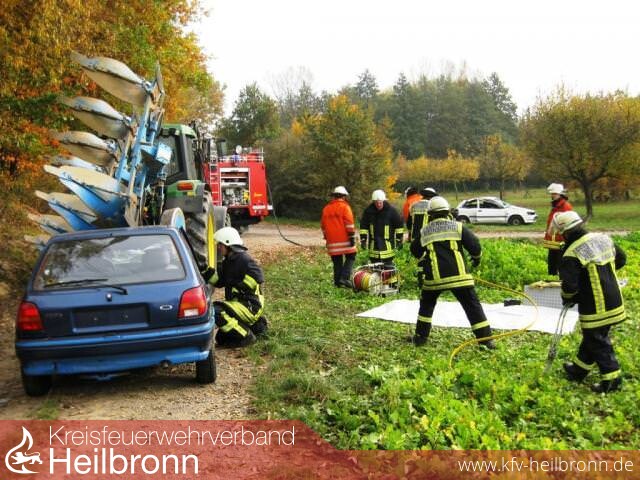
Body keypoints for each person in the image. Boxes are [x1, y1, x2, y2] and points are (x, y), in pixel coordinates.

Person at [554, 211, 626, 393]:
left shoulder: (571, 253)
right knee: (593, 337)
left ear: (565, 233)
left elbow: (569, 286)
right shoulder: (602, 239)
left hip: (595, 306)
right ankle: (578, 370)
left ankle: (612, 379)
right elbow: (621, 259)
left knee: (597, 341)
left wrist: (568, 299)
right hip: (614, 299)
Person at [410, 196, 495, 349]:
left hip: (434, 279)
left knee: (426, 306)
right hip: (459, 277)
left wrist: (424, 256)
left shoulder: (425, 231)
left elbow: (414, 249)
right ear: (448, 211)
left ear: (430, 214)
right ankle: (486, 340)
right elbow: (475, 246)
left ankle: (421, 337)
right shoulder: (457, 227)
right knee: (472, 306)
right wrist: (476, 259)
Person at [205, 226, 266, 347]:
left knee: (216, 311)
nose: (218, 247)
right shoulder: (228, 261)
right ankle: (256, 326)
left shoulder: (243, 259)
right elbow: (220, 282)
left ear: (228, 244)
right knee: (221, 339)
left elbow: (258, 276)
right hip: (240, 304)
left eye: (220, 244)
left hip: (250, 305)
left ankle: (246, 336)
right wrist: (207, 273)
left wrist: (239, 286)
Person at [321, 186, 357, 288]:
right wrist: (351, 236)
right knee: (351, 255)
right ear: (344, 196)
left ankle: (338, 282)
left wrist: (327, 237)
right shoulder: (345, 207)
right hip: (345, 240)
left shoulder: (326, 208)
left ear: (334, 196)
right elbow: (349, 223)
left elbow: (323, 226)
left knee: (337, 261)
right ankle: (344, 278)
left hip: (332, 241)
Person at [359, 189, 404, 267]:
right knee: (374, 270)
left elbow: (399, 226)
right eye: (376, 203)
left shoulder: (391, 211)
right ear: (373, 202)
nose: (378, 205)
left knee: (388, 270)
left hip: (388, 248)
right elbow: (363, 227)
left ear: (383, 201)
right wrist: (363, 239)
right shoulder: (368, 212)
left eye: (380, 202)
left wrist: (399, 240)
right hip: (374, 249)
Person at [544, 183, 573, 275]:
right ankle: (552, 279)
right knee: (552, 263)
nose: (552, 195)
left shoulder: (565, 206)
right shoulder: (556, 206)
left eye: (554, 194)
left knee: (560, 263)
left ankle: (562, 280)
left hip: (561, 240)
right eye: (552, 194)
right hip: (554, 240)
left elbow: (567, 224)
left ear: (560, 194)